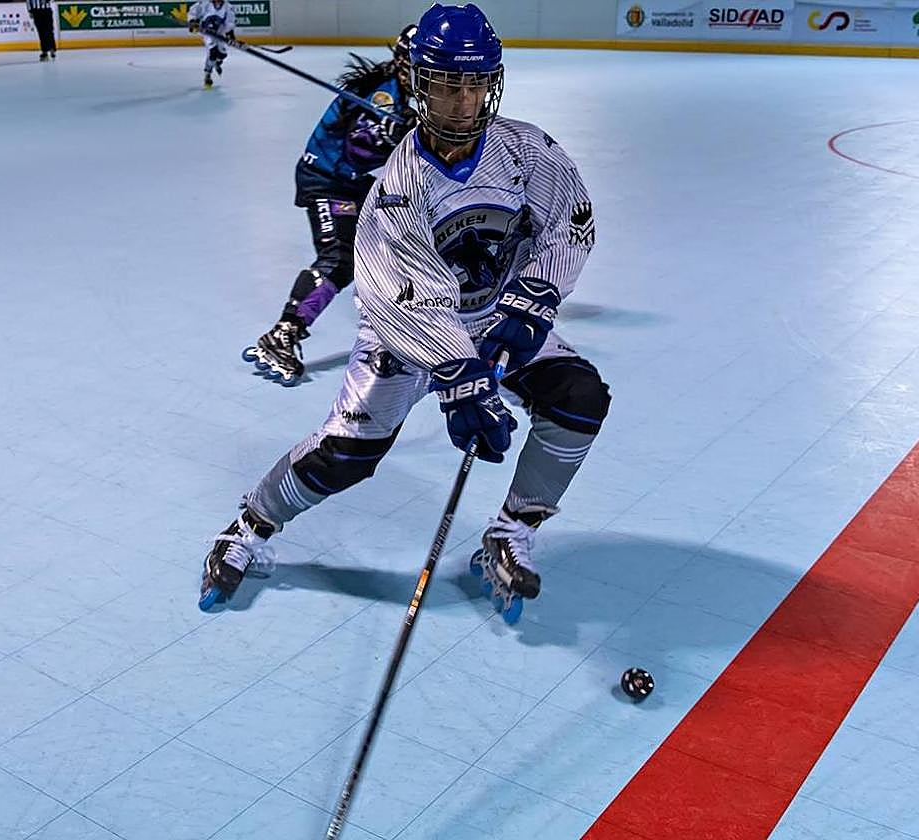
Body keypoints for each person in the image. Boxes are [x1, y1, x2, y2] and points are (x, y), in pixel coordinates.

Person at [199, 3, 610, 624]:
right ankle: (250, 526)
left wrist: (534, 300)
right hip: (408, 336)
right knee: (347, 456)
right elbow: (401, 302)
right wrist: (461, 376)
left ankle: (512, 528)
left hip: (493, 317)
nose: (463, 104)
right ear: (418, 85)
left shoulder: (528, 151)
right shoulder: (397, 189)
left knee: (579, 398)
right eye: (447, 86)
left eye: (475, 85)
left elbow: (570, 222)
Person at [242, 26, 418, 386]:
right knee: (338, 259)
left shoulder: (399, 92)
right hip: (327, 179)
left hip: (351, 181)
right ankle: (283, 333)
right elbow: (359, 149)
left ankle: (394, 314)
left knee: (400, 231)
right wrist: (393, 137)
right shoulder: (384, 96)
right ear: (405, 63)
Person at [187, 0, 236, 89]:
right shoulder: (205, 3)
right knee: (213, 52)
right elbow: (193, 11)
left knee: (222, 55)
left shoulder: (228, 7)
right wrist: (192, 21)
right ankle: (208, 74)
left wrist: (230, 33)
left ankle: (217, 62)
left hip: (219, 33)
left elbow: (230, 22)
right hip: (207, 32)